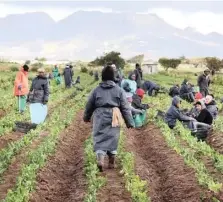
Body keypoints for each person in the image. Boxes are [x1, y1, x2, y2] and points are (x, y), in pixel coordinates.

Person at [83, 65, 134, 172]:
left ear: (102, 76)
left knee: (99, 137)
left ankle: (100, 159)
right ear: (113, 76)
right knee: (113, 137)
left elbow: (89, 105)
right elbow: (125, 107)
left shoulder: (96, 90)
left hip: (99, 116)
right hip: (114, 115)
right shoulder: (118, 90)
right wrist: (129, 122)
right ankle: (111, 162)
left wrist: (86, 117)